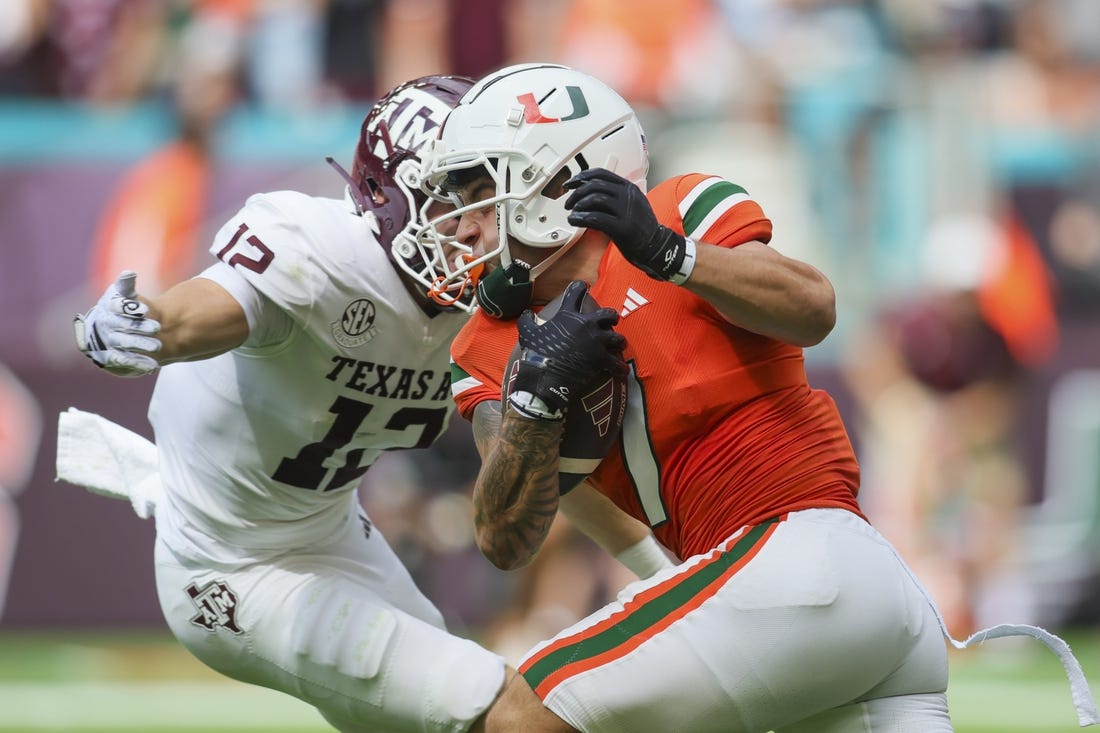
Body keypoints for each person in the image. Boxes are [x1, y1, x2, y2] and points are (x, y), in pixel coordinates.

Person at [415, 63, 1098, 732]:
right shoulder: (488, 343)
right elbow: (505, 537)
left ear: (553, 179)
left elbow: (814, 308)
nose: (461, 225)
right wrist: (536, 400)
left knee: (516, 714)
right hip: (825, 594)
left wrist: (668, 254)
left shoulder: (676, 210)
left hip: (797, 556)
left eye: (479, 188)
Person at [63, 73, 666, 733]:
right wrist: (137, 324)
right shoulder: (320, 253)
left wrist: (660, 569)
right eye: (456, 196)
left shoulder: (487, 310)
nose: (478, 223)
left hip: (333, 533)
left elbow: (541, 472)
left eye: (489, 194)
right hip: (227, 564)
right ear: (390, 196)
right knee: (511, 711)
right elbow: (192, 316)